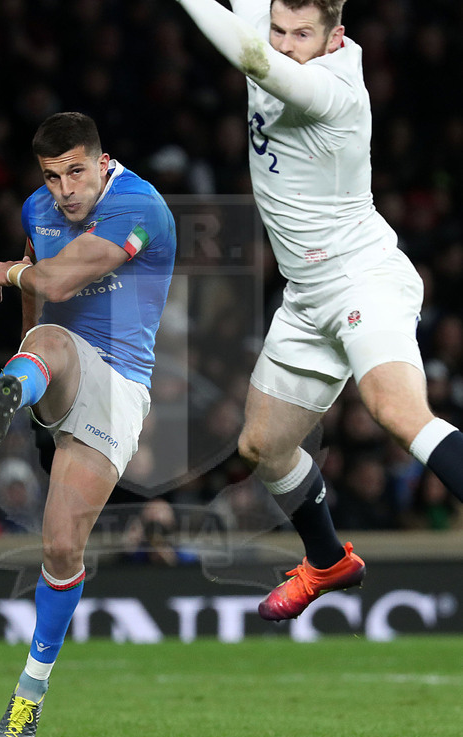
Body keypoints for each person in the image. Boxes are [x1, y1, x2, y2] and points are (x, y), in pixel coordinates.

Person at [175, 0, 463, 620]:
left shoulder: (330, 89)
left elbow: (249, 56)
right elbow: (254, 27)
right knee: (262, 447)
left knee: (395, 410)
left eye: (302, 35)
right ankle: (329, 561)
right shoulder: (279, 30)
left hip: (361, 280)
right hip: (306, 296)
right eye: (277, 29)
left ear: (336, 36)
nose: (283, 44)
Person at [0, 111, 176, 737]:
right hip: (53, 367)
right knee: (52, 340)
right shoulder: (39, 206)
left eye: (75, 172)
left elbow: (53, 279)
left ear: (102, 160)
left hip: (118, 386)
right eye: (52, 175)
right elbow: (43, 302)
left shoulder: (138, 205)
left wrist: (10, 274)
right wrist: (24, 350)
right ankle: (14, 390)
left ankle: (29, 694)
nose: (63, 189)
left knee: (62, 547)